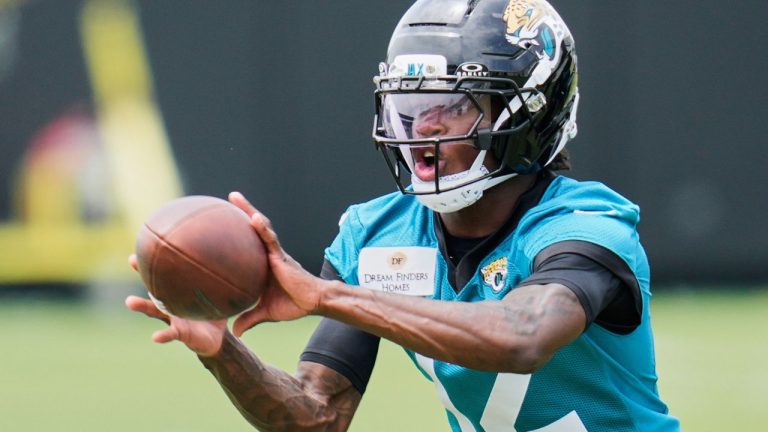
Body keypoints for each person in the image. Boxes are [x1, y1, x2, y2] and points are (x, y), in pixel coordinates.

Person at [127, 0, 681, 430]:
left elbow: (522, 336)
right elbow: (317, 416)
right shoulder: (377, 234)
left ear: (532, 113)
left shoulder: (587, 223)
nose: (422, 128)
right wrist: (222, 350)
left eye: (454, 106)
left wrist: (327, 296)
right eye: (411, 105)